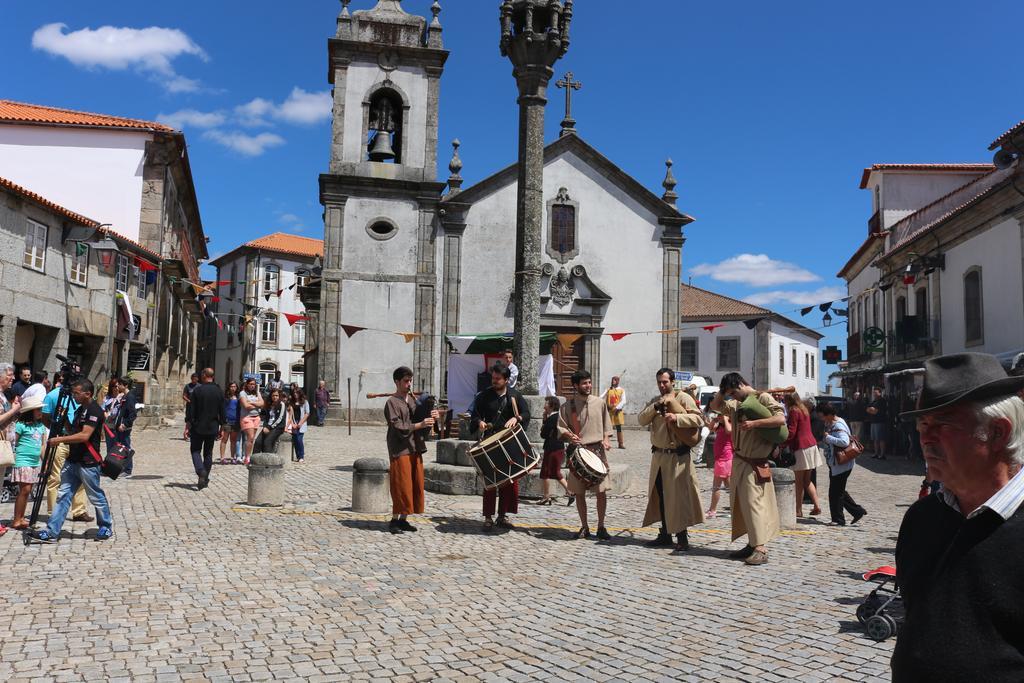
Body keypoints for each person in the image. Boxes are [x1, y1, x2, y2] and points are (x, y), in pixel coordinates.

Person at [891, 353, 1024, 680]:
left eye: (943, 423)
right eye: (922, 425)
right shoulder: (922, 518)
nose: (925, 438)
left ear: (997, 432)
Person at [708, 373, 784, 566]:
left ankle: (761, 548)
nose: (733, 396)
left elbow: (780, 419)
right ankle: (751, 543)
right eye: (730, 394)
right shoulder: (736, 403)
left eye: (734, 392)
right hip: (739, 460)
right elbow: (715, 406)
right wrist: (722, 391)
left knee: (754, 504)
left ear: (741, 384)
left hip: (754, 462)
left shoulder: (763, 398)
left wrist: (755, 423)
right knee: (742, 505)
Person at [31, 378, 113, 543]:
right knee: (63, 496)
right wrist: (62, 418)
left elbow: (84, 436)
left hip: (88, 463)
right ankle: (52, 532)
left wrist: (59, 440)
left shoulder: (94, 411)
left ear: (87, 393)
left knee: (95, 495)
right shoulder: (79, 409)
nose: (74, 396)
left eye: (77, 393)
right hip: (73, 460)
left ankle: (105, 526)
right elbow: (73, 430)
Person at [637, 368, 706, 550]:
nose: (662, 385)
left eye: (665, 382)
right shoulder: (655, 401)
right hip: (659, 456)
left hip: (677, 456)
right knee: (661, 496)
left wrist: (677, 417)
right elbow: (641, 420)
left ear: (673, 382)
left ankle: (682, 538)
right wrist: (655, 406)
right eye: (659, 382)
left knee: (679, 498)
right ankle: (665, 534)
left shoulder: (683, 398)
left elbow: (699, 419)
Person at [471, 362, 530, 530]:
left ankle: (502, 516)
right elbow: (474, 415)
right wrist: (480, 422)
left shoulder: (515, 396)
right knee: (490, 482)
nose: (494, 381)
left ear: (506, 379)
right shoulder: (484, 396)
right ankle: (488, 517)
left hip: (508, 442)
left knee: (508, 481)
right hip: (490, 442)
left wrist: (516, 418)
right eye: (493, 378)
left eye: (498, 378)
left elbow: (526, 414)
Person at [558, 369, 613, 540]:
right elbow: (561, 427)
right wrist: (569, 435)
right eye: (584, 383)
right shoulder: (567, 406)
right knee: (579, 493)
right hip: (578, 453)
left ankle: (601, 526)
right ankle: (584, 527)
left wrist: (606, 439)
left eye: (589, 382)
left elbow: (606, 425)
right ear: (576, 385)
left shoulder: (600, 403)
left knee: (601, 492)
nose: (588, 385)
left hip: (597, 452)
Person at [384, 366, 437, 534]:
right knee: (401, 485)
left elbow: (420, 422)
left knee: (414, 484)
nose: (409, 384)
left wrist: (430, 417)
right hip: (400, 448)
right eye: (406, 381)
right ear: (397, 382)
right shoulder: (392, 402)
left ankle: (404, 519)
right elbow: (398, 426)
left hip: (415, 446)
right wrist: (419, 425)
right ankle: (394, 521)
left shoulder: (413, 400)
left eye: (410, 381)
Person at [41, 370, 91, 523]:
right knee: (55, 477)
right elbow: (45, 416)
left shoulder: (79, 394)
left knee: (80, 476)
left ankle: (79, 511)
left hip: (77, 439)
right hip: (60, 439)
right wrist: (57, 429)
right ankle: (53, 513)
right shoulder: (52, 395)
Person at [819, 402, 867, 526]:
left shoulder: (838, 424)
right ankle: (857, 511)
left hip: (841, 465)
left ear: (829, 414)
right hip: (837, 464)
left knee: (835, 493)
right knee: (839, 491)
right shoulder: (832, 423)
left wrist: (829, 438)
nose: (821, 418)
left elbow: (844, 442)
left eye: (822, 416)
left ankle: (838, 520)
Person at [9, 395, 47, 529]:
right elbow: (15, 442)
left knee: (28, 490)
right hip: (22, 460)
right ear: (30, 411)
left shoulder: (41, 426)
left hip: (34, 462)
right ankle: (16, 519)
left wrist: (45, 460)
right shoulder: (21, 425)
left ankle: (21, 517)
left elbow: (42, 445)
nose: (40, 412)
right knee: (24, 490)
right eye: (38, 410)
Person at [783, 392, 824, 518]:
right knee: (807, 480)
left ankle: (798, 510)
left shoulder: (794, 411)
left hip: (801, 447)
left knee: (799, 481)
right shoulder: (804, 409)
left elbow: (792, 431)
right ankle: (816, 505)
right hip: (811, 445)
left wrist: (782, 444)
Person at [186, 368, 225, 490]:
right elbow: (222, 412)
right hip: (213, 426)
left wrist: (188, 425)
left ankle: (200, 471)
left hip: (198, 427)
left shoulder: (197, 391)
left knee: (195, 450)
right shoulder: (219, 392)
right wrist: (222, 427)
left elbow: (191, 412)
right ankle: (205, 477)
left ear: (204, 375)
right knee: (208, 453)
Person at [537, 395, 574, 506]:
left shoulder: (551, 418)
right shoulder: (559, 416)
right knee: (554, 472)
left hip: (552, 448)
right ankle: (569, 492)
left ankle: (547, 497)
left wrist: (544, 421)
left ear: (551, 405)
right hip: (559, 447)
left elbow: (543, 435)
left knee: (545, 473)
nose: (544, 406)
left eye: (546, 403)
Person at [0, 363, 22, 536]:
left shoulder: (2, 395)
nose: (13, 378)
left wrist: (13, 408)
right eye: (9, 375)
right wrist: (14, 409)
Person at [706, 404, 733, 518]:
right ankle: (736, 508)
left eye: (721, 414)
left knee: (716, 486)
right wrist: (715, 419)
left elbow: (729, 431)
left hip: (725, 459)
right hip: (721, 459)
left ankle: (712, 510)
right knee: (730, 487)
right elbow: (710, 428)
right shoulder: (720, 426)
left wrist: (726, 419)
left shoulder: (729, 424)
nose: (719, 416)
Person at [112, 378, 138, 477]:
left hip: (124, 428)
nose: (117, 386)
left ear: (125, 385)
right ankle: (122, 468)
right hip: (119, 427)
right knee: (121, 448)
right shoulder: (124, 396)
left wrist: (125, 424)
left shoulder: (130, 396)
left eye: (119, 385)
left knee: (126, 448)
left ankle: (128, 470)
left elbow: (133, 414)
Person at [238, 378, 265, 465]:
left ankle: (247, 455)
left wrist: (251, 403)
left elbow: (262, 404)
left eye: (253, 384)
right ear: (247, 384)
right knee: (250, 437)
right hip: (246, 417)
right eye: (250, 384)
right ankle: (247, 457)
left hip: (256, 417)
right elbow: (245, 405)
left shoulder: (257, 393)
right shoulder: (242, 393)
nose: (252, 385)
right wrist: (257, 404)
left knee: (251, 439)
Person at [253, 388, 287, 454]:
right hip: (267, 426)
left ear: (279, 396)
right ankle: (255, 460)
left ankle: (268, 461)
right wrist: (265, 426)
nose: (275, 397)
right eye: (273, 395)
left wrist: (269, 427)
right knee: (258, 442)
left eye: (276, 395)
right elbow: (265, 417)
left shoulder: (282, 404)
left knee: (267, 442)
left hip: (277, 427)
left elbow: (280, 418)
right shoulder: (268, 404)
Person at [601, 375, 627, 449]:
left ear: (618, 381)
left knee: (618, 427)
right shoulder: (609, 389)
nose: (613, 382)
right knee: (607, 427)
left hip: (617, 411)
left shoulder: (621, 390)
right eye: (612, 380)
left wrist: (617, 407)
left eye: (615, 380)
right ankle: (606, 443)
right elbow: (602, 396)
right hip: (609, 411)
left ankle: (620, 443)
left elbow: (623, 400)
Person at [287, 386, 311, 462]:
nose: (295, 394)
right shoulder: (291, 402)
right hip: (294, 422)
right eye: (294, 393)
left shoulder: (305, 402)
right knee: (295, 440)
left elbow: (307, 413)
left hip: (301, 422)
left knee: (299, 439)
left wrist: (300, 423)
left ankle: (301, 455)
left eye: (297, 393)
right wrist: (293, 423)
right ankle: (298, 456)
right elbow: (290, 414)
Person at [219, 381, 241, 464]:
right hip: (227, 421)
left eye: (234, 386)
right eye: (231, 386)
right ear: (229, 387)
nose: (233, 388)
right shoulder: (225, 398)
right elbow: (222, 409)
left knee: (233, 440)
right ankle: (222, 457)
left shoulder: (239, 398)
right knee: (224, 439)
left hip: (235, 421)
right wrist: (222, 422)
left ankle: (233, 457)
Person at [866, 386, 887, 459]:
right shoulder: (873, 401)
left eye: (876, 392)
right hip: (873, 422)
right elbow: (867, 409)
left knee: (881, 438)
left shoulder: (882, 400)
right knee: (875, 439)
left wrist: (872, 410)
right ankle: (876, 453)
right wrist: (872, 410)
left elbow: (875, 412)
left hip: (880, 422)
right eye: (873, 392)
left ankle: (882, 454)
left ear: (880, 393)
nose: (874, 394)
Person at [182, 373, 199, 439]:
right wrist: (189, 401)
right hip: (190, 406)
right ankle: (186, 433)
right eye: (193, 379)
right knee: (188, 419)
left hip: (197, 406)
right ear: (191, 379)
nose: (194, 380)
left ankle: (195, 433)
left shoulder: (199, 386)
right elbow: (184, 396)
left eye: (196, 378)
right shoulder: (187, 386)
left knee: (196, 419)